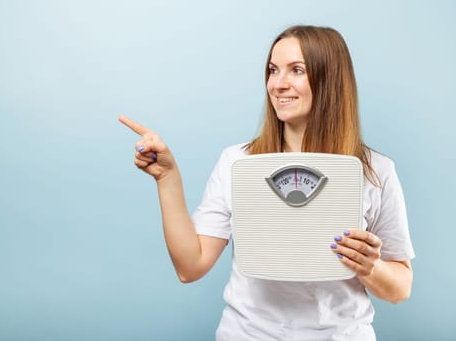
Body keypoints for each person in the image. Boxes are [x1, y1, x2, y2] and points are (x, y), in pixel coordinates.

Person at [119, 25, 414, 340]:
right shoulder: (237, 161)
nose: (278, 84)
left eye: (296, 70)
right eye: (273, 70)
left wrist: (371, 267)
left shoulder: (375, 171)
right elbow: (190, 267)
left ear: (329, 80)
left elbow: (400, 289)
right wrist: (167, 178)